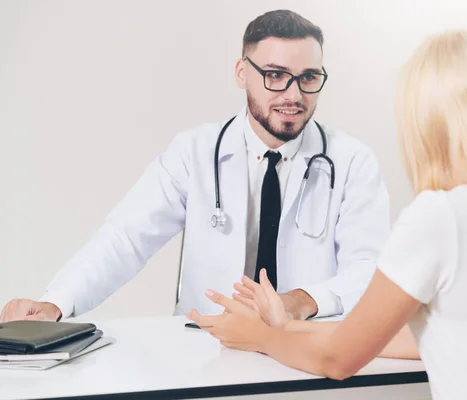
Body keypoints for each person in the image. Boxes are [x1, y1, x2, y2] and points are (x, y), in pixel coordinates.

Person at [188, 29, 467, 399]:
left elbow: (339, 359)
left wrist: (259, 337)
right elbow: (419, 338)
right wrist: (286, 325)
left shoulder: (441, 217)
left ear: (425, 121)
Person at [0, 10, 391, 323]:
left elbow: (370, 269)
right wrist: (56, 302)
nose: (294, 94)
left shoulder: (352, 162)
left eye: (308, 77)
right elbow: (127, 237)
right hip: (203, 347)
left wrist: (300, 301)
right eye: (275, 75)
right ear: (243, 73)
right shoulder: (194, 151)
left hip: (307, 350)